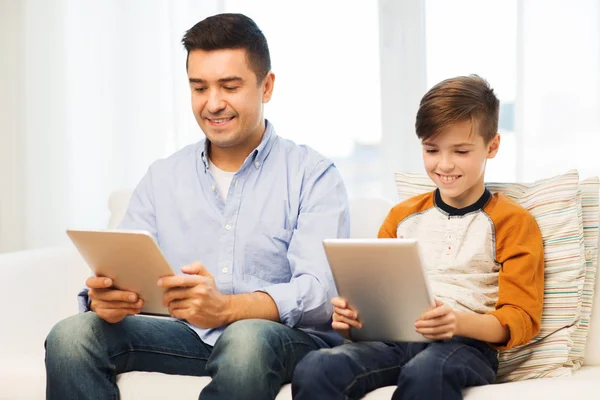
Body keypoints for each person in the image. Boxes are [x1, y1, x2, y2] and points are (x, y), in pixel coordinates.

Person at [45, 13, 349, 400]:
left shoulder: (313, 173)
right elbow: (124, 266)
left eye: (229, 86)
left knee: (245, 340)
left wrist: (227, 308)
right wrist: (108, 298)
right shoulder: (162, 176)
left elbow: (319, 293)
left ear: (266, 86)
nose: (213, 103)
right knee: (72, 335)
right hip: (185, 334)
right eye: (199, 87)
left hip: (279, 339)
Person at [292, 75, 545, 400]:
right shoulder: (401, 217)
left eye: (461, 151)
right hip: (393, 341)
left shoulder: (514, 222)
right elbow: (376, 307)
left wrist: (456, 323)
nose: (444, 164)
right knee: (316, 367)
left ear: (492, 146)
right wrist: (349, 321)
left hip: (464, 346)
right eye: (431, 149)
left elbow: (519, 319)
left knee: (427, 373)